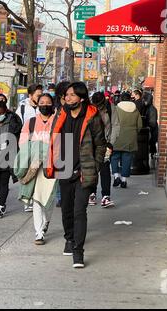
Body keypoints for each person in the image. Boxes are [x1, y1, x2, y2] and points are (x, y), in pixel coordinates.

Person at [45, 82, 106, 268]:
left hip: (83, 170)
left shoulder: (92, 116)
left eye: (72, 95)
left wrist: (94, 166)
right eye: (66, 95)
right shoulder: (61, 114)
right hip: (64, 169)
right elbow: (53, 138)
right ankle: (69, 239)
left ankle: (78, 252)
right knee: (66, 210)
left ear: (81, 97)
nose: (68, 98)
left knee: (80, 211)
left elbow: (101, 144)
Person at [15, 93, 57, 245]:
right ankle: (39, 233)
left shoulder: (57, 121)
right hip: (34, 166)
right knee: (37, 199)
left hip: (52, 166)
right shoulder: (30, 123)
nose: (45, 105)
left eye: (48, 102)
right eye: (42, 102)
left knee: (50, 198)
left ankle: (46, 221)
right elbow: (23, 143)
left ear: (52, 105)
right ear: (38, 105)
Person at [16, 84, 43, 212]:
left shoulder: (44, 107)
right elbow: (17, 126)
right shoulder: (22, 108)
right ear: (31, 96)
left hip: (41, 144)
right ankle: (27, 199)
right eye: (38, 95)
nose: (40, 97)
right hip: (27, 144)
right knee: (27, 172)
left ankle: (35, 199)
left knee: (38, 173)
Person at [111, 92, 142, 188]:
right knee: (127, 158)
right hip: (130, 137)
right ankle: (124, 180)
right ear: (130, 99)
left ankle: (116, 176)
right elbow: (140, 125)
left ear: (120, 99)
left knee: (114, 156)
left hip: (117, 136)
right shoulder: (135, 110)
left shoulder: (116, 109)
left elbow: (112, 123)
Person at [89, 92, 114, 208]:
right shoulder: (88, 109)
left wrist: (111, 143)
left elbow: (115, 125)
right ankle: (91, 193)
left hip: (105, 143)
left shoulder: (110, 108)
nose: (98, 106)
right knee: (92, 168)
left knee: (104, 168)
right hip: (91, 144)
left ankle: (106, 196)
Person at [54, 81, 71, 207]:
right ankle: (60, 197)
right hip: (57, 142)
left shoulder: (75, 107)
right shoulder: (54, 108)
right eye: (67, 94)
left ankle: (69, 195)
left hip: (72, 142)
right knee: (59, 173)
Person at [142, 92, 159, 158]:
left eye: (144, 100)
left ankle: (152, 156)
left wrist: (148, 128)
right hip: (150, 130)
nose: (143, 101)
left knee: (152, 146)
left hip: (151, 131)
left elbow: (152, 122)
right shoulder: (147, 108)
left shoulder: (152, 109)